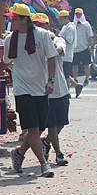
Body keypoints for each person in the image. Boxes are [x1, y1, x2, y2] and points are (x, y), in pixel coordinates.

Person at [4, 3, 58, 178]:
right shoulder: (9, 39)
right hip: (21, 88)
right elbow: (6, 61)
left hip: (40, 88)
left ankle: (19, 153)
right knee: (32, 129)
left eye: (14, 19)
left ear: (24, 20)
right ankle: (44, 164)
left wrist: (50, 80)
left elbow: (51, 58)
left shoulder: (42, 36)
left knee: (39, 127)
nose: (12, 21)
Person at [32, 13, 70, 166]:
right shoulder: (31, 44)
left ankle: (46, 142)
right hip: (45, 90)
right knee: (52, 124)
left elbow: (60, 49)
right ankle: (59, 154)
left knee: (62, 122)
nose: (39, 29)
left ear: (47, 26)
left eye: (42, 25)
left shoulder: (57, 39)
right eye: (36, 25)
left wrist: (52, 45)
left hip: (61, 88)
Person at [71, 8, 93, 95]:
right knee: (74, 65)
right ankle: (75, 78)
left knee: (86, 64)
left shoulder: (86, 25)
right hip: (75, 48)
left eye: (79, 14)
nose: (78, 15)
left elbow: (90, 36)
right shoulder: (72, 25)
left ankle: (87, 78)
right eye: (76, 14)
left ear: (82, 15)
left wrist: (90, 46)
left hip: (84, 47)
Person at [58, 10, 80, 94]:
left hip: (67, 54)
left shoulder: (70, 27)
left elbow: (69, 40)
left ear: (66, 18)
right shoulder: (65, 27)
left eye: (61, 19)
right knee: (63, 72)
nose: (60, 21)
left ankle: (67, 92)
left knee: (66, 75)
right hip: (63, 54)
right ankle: (76, 85)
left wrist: (61, 37)